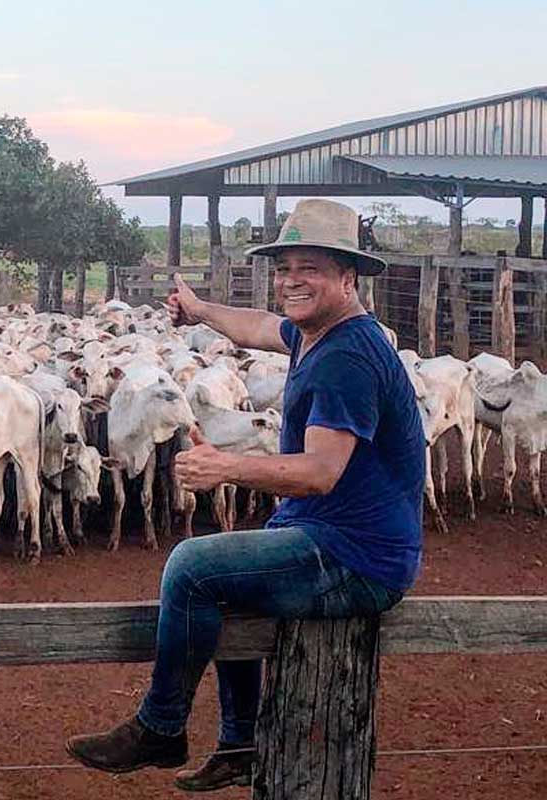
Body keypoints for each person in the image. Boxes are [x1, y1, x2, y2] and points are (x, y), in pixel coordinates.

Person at [64, 198, 425, 791]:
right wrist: (201, 310)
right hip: (327, 534)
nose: (290, 281)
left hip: (359, 557)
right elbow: (259, 327)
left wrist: (224, 466)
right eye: (284, 268)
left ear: (348, 276)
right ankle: (241, 741)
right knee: (228, 578)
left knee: (193, 566)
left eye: (308, 268)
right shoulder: (318, 334)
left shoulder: (347, 360)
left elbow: (319, 472)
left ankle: (161, 727)